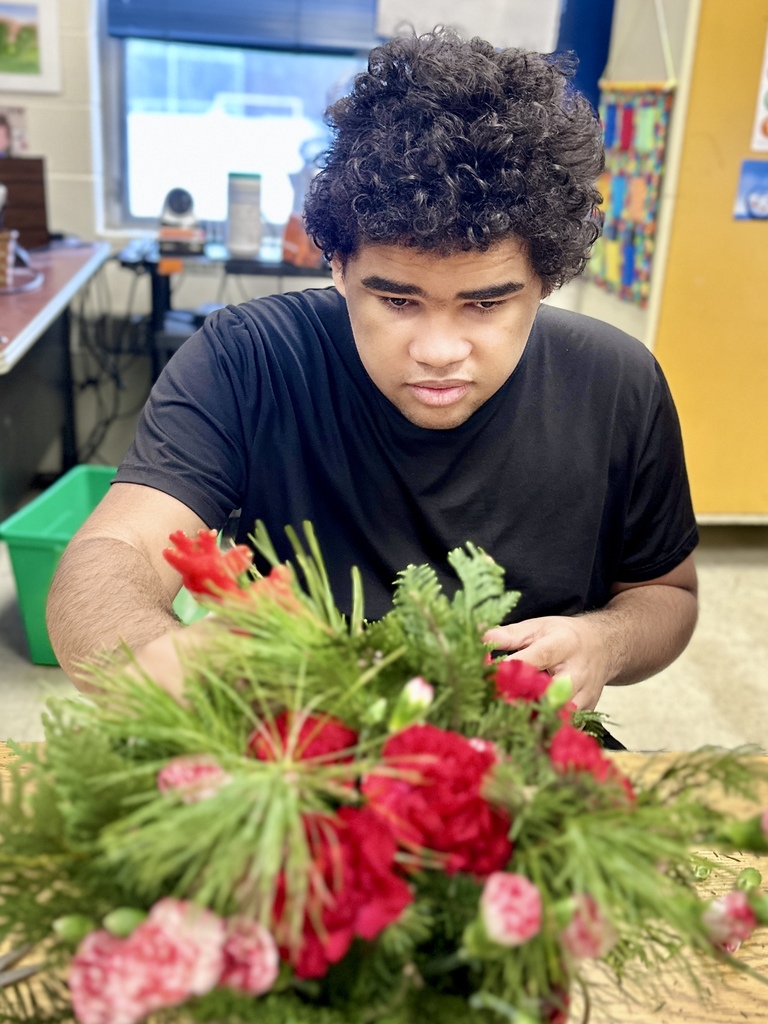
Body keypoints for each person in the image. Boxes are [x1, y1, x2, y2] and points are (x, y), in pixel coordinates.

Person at [47, 30, 698, 721]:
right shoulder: (249, 359)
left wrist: (606, 639)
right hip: (292, 748)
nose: (439, 350)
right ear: (337, 265)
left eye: (486, 303)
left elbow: (668, 596)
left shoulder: (617, 383)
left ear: (545, 279)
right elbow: (114, 550)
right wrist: (154, 657)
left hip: (518, 750)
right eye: (397, 301)